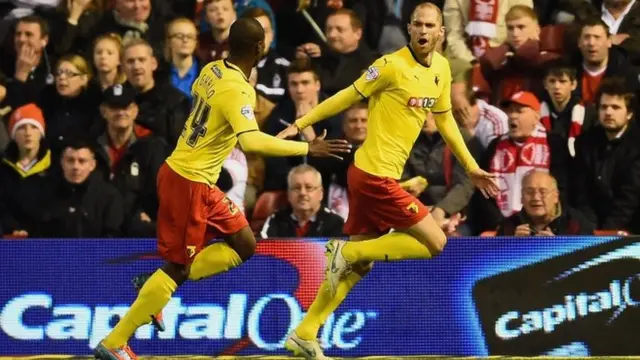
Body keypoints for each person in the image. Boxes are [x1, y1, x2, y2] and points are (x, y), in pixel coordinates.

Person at [93, 17, 351, 359]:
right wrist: (307, 148)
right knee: (179, 267)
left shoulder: (212, 69)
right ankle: (114, 342)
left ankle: (158, 288)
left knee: (244, 244)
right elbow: (252, 141)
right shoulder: (237, 88)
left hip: (196, 177)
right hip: (188, 181)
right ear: (260, 48)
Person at [277, 3, 499, 359]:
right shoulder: (390, 65)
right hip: (372, 176)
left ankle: (305, 331)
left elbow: (445, 123)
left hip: (381, 176)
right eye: (418, 25)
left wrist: (471, 166)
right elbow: (346, 95)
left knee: (356, 269)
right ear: (409, 28)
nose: (424, 31)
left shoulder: (441, 69)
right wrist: (302, 123)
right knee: (435, 242)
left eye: (431, 25)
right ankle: (346, 250)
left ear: (441, 31)